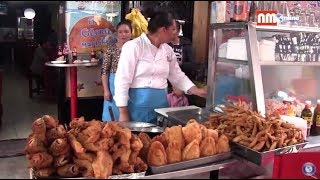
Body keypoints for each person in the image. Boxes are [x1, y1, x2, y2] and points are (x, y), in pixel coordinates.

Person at [114, 10, 207, 124]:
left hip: (161, 106)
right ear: (163, 30)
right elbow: (122, 80)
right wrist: (123, 112)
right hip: (137, 106)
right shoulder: (133, 47)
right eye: (172, 29)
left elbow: (177, 75)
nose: (175, 33)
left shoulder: (167, 50)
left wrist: (196, 90)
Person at [101, 20, 132, 121]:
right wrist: (106, 90)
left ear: (131, 33)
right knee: (112, 116)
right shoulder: (111, 49)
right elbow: (105, 71)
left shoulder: (135, 49)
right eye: (120, 32)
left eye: (126, 31)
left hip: (132, 84)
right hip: (114, 85)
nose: (123, 34)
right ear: (116, 33)